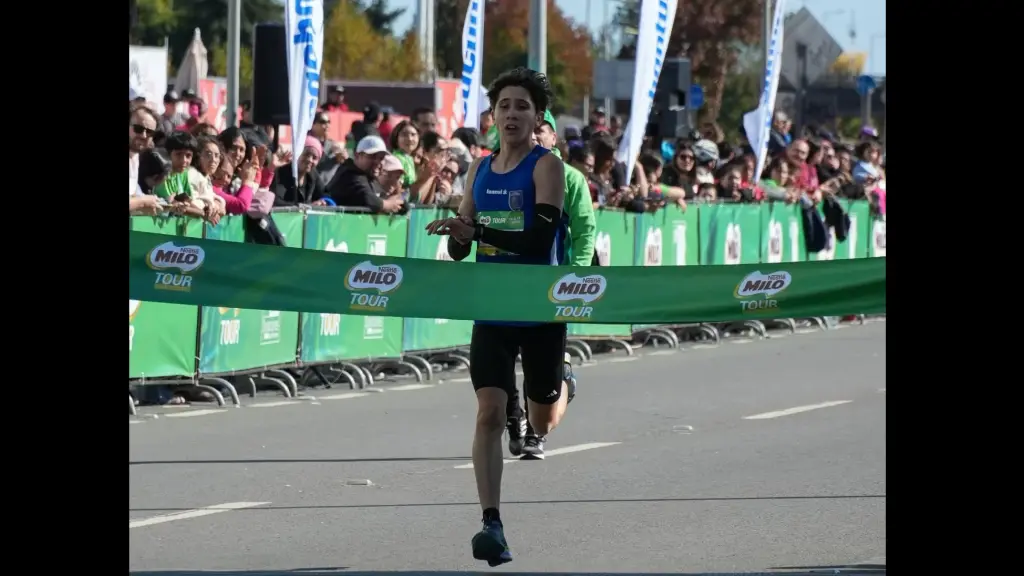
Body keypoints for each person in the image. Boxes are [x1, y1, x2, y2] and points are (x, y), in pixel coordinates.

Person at [424, 67, 571, 567]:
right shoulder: (479, 170)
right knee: (489, 410)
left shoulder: (544, 166)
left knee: (541, 420)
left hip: (538, 308)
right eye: (504, 105)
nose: (512, 114)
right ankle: (492, 522)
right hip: (492, 307)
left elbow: (536, 240)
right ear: (493, 115)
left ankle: (564, 383)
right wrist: (456, 234)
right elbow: (462, 247)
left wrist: (476, 228)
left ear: (537, 117)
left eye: (522, 106)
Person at [502, 109, 595, 459]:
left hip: (555, 284)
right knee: (504, 356)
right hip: (511, 281)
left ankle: (554, 397)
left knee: (542, 379)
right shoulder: (506, 171)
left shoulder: (569, 177)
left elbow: (585, 230)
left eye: (544, 130)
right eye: (533, 129)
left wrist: (577, 276)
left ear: (554, 138)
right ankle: (516, 419)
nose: (537, 135)